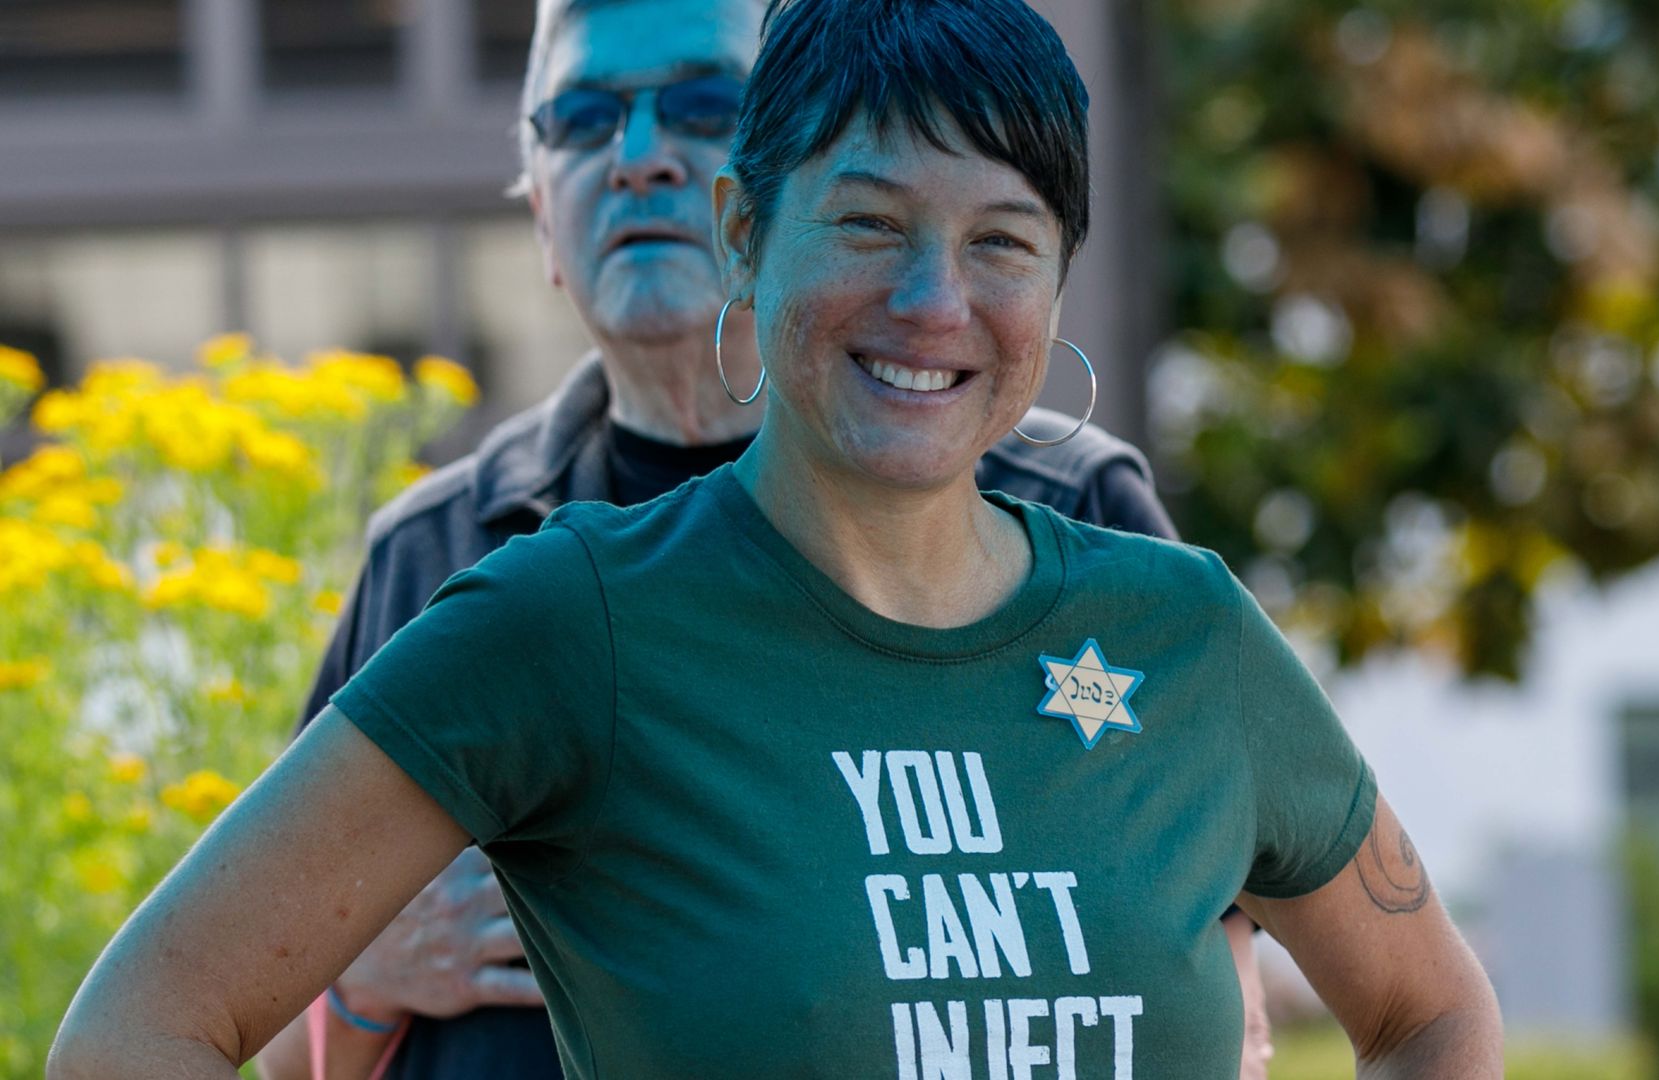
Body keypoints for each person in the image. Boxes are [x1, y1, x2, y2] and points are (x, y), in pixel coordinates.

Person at [49, 0, 1503, 1076]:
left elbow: (1433, 1009)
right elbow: (142, 1026)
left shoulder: (1183, 627)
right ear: (747, 232)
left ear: (1059, 281)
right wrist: (365, 998)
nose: (934, 300)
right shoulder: (568, 617)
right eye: (867, 225)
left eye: (1001, 241)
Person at [248, 0, 1206, 1075]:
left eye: (708, 103)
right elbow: (269, 1044)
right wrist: (362, 984)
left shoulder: (1069, 512)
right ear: (536, 212)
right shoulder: (437, 554)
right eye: (583, 119)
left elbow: (1215, 973)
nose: (640, 158)